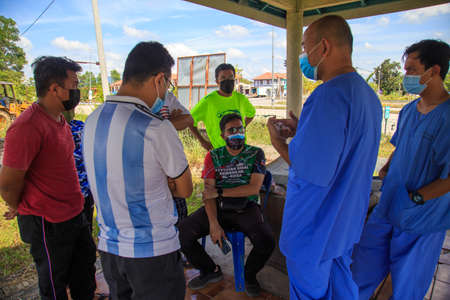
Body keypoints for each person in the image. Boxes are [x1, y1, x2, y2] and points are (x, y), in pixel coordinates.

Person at [267, 15, 382, 299]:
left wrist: (278, 142)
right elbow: (343, 148)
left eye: (305, 48)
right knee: (341, 288)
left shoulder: (328, 96)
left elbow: (307, 168)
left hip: (314, 228)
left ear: (325, 47)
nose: (303, 57)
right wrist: (303, 128)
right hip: (344, 225)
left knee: (310, 292)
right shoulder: (368, 97)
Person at [83, 41, 193, 300]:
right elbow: (185, 189)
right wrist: (162, 180)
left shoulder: (92, 120)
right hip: (153, 251)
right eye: (168, 85)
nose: (167, 91)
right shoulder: (156, 127)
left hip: (110, 249)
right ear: (158, 79)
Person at [351, 40, 450, 300]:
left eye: (411, 70)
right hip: (388, 208)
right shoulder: (408, 111)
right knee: (360, 274)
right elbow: (401, 146)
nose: (406, 76)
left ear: (434, 71)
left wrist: (416, 199)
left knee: (407, 287)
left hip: (422, 219)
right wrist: (388, 166)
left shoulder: (448, 117)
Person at [0, 56, 96, 300]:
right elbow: (9, 184)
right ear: (55, 89)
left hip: (75, 213)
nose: (78, 90)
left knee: (84, 275)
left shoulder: (60, 119)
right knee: (54, 284)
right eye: (74, 84)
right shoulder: (26, 127)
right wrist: (18, 206)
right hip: (48, 222)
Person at [179, 113, 275, 297]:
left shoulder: (255, 154)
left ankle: (249, 275)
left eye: (240, 129)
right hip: (219, 206)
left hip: (246, 208)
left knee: (267, 241)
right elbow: (209, 194)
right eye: (232, 130)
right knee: (183, 232)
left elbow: (253, 188)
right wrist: (213, 223)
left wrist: (220, 192)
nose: (237, 134)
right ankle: (209, 270)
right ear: (223, 135)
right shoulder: (213, 156)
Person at [190, 63, 255, 150]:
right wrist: (203, 141)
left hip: (241, 150)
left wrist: (242, 127)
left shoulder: (241, 99)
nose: (228, 80)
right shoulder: (208, 101)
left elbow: (251, 114)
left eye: (231, 77)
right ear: (217, 81)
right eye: (223, 78)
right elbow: (189, 121)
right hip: (219, 153)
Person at [152, 91, 193, 222]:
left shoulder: (167, 97)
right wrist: (170, 123)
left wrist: (163, 124)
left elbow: (188, 119)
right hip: (150, 165)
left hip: (171, 164)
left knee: (180, 217)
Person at [62, 109, 94, 232]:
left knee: (86, 233)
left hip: (85, 191)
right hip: (64, 198)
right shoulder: (46, 129)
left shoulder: (81, 126)